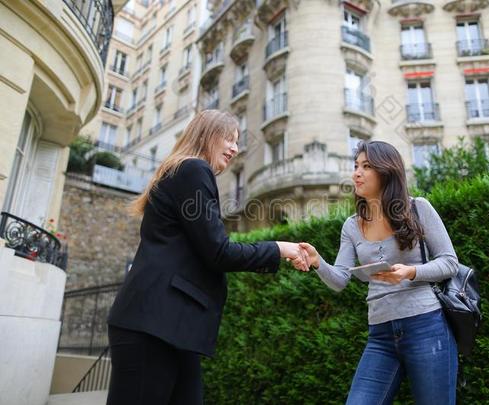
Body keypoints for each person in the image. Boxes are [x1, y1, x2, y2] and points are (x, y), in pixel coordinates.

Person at [106, 110, 310, 405]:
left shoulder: (181, 173)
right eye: (228, 138)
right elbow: (218, 251)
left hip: (168, 325)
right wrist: (279, 248)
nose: (235, 148)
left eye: (237, 141)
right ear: (206, 135)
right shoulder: (192, 170)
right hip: (153, 325)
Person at [294, 140, 459, 404]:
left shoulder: (418, 208)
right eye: (356, 166)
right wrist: (317, 261)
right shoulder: (351, 226)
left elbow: (450, 262)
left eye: (366, 166)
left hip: (426, 326)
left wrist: (410, 272)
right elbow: (339, 280)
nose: (356, 173)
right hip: (380, 334)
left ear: (386, 171)